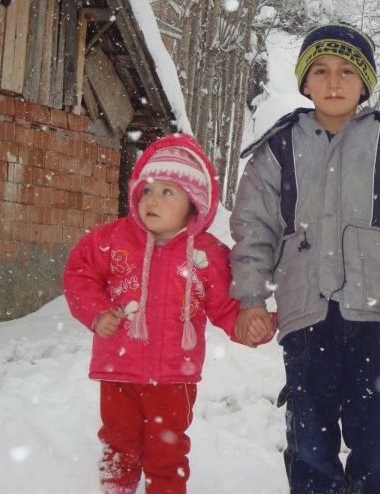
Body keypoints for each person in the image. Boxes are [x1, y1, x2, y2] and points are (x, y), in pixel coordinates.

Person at [230, 22, 380, 494]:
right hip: (305, 319)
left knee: (379, 443)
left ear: (365, 83)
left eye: (347, 71)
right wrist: (251, 299)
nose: (333, 82)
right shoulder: (278, 149)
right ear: (305, 83)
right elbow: (253, 229)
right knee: (310, 444)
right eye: (321, 71)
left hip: (375, 319)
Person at [64, 133, 274, 494]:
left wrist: (250, 326)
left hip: (174, 379)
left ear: (193, 203)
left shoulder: (207, 255)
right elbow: (79, 275)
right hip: (119, 373)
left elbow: (226, 306)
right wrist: (97, 313)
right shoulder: (112, 240)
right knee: (119, 445)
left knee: (167, 453)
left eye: (167, 192)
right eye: (147, 190)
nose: (152, 199)